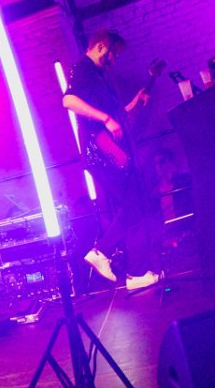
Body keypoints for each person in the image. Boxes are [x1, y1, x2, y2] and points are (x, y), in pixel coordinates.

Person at [62, 29, 161, 292]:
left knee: (135, 206)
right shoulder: (83, 68)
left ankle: (127, 267)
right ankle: (112, 259)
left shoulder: (97, 76)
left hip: (109, 153)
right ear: (101, 47)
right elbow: (69, 100)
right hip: (102, 153)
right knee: (134, 205)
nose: (114, 60)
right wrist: (105, 119)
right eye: (113, 53)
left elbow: (116, 116)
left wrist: (134, 104)